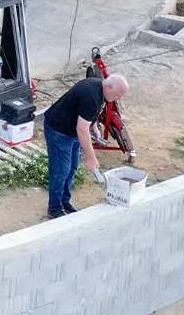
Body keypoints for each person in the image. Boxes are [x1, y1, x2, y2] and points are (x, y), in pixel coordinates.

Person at [41, 72, 129, 218]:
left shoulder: (101, 89)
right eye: (118, 95)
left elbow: (88, 114)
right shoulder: (92, 97)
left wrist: (94, 126)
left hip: (72, 131)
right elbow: (82, 129)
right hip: (59, 130)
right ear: (110, 87)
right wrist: (91, 158)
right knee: (61, 171)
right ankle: (54, 208)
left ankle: (64, 202)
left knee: (72, 168)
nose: (118, 98)